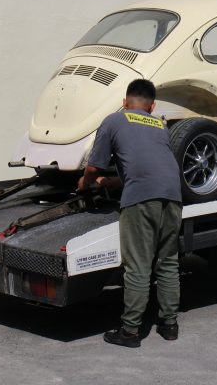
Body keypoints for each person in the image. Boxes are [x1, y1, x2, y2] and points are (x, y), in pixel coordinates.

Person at [77, 79, 182, 348]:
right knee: (168, 262)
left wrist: (84, 185)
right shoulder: (160, 125)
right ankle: (169, 325)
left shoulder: (114, 120)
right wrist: (116, 182)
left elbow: (95, 167)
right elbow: (150, 165)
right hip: (173, 197)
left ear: (125, 102)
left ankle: (131, 332)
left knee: (137, 266)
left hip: (141, 200)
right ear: (152, 105)